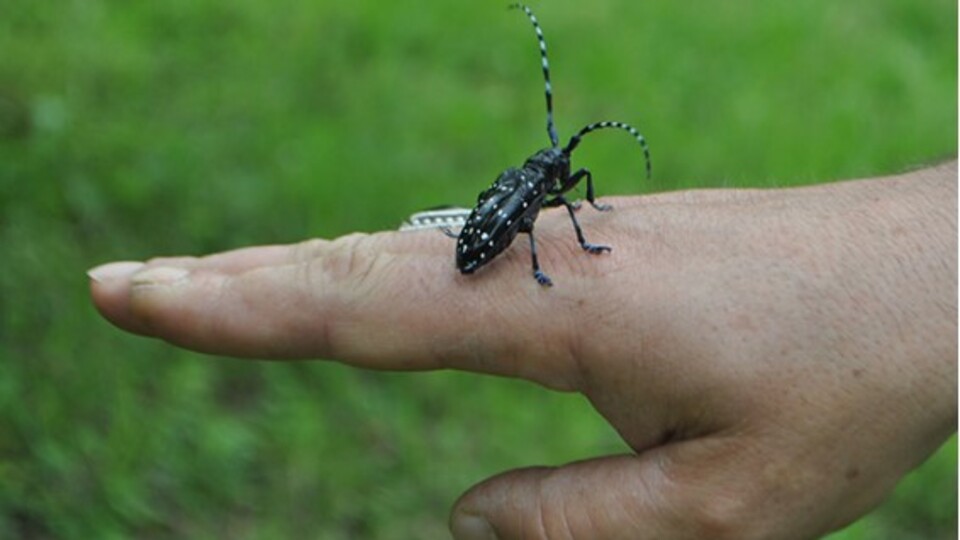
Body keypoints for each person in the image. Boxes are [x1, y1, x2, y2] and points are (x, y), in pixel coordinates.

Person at [88, 161, 956, 539]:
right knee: (526, 230)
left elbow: (549, 207)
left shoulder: (542, 189)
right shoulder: (537, 201)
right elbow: (538, 215)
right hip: (485, 240)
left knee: (526, 224)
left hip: (487, 230)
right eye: (561, 173)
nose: (564, 183)